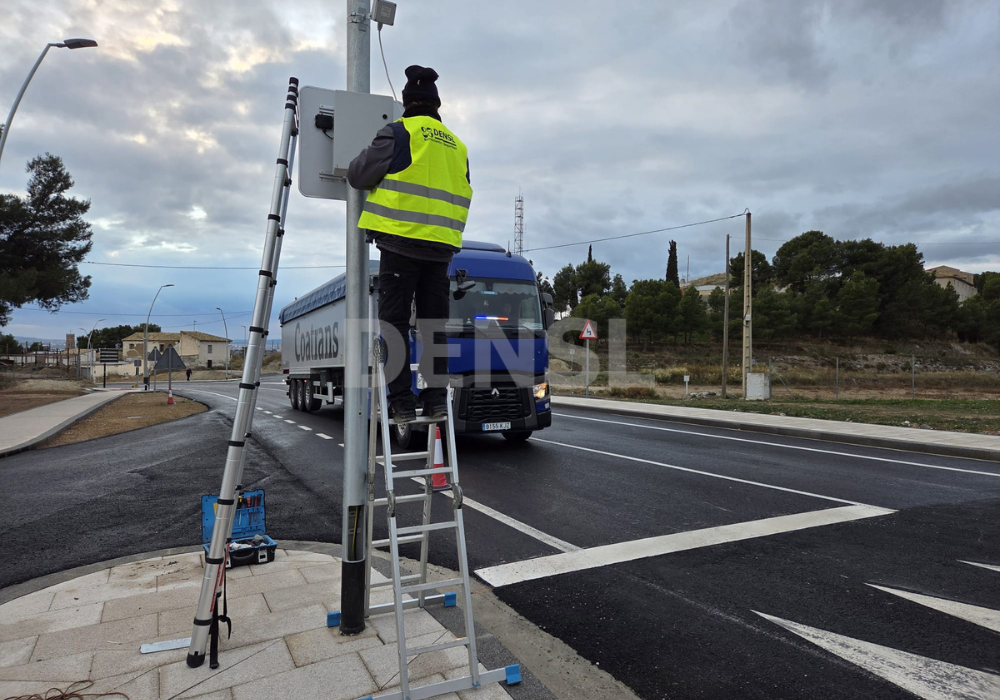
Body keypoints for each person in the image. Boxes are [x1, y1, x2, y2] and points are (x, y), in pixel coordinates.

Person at [348, 65, 472, 423]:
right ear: (436, 105)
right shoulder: (458, 147)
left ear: (406, 103)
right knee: (434, 327)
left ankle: (401, 403)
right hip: (440, 250)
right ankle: (435, 402)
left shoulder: (398, 134)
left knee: (395, 326)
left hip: (400, 246)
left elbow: (358, 175)